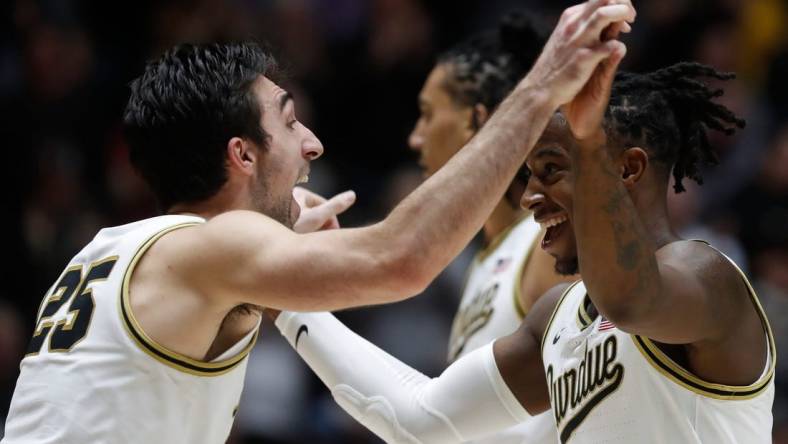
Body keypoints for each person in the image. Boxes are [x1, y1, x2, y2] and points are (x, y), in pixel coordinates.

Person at [0, 0, 636, 442]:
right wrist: (538, 90)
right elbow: (400, 258)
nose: (312, 144)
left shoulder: (111, 249)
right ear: (241, 154)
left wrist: (278, 266)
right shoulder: (210, 247)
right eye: (287, 119)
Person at [272, 62, 775, 443]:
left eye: (553, 170)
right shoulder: (557, 318)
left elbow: (629, 303)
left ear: (628, 169)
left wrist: (586, 138)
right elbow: (418, 417)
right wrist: (279, 291)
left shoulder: (707, 276)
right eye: (529, 175)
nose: (531, 197)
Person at [408, 12, 573, 444]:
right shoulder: (486, 257)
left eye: (427, 115)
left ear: (476, 122)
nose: (416, 138)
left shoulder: (544, 247)